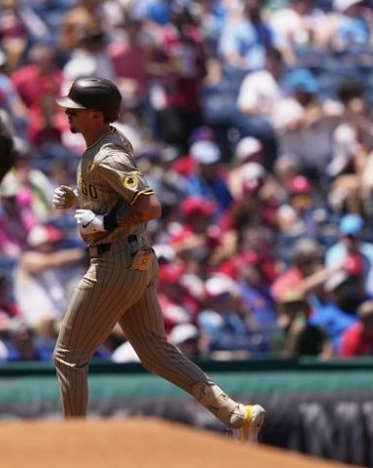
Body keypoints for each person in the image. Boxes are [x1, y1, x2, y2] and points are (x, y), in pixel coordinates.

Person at [50, 76, 265, 443]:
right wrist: (82, 199)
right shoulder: (107, 142)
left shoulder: (107, 155)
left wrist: (104, 219)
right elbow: (115, 194)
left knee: (68, 356)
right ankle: (234, 414)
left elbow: (150, 206)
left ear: (97, 116)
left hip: (113, 262)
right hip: (136, 260)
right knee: (154, 352)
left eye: (77, 109)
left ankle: (76, 447)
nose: (68, 113)